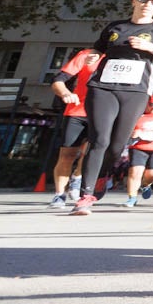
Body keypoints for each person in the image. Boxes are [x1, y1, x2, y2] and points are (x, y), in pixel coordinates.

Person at [71, 0, 153, 216]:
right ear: (134, 0)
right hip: (102, 87)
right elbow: (98, 48)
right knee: (99, 140)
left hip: (135, 91)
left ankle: (104, 174)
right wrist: (93, 55)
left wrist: (150, 47)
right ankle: (86, 195)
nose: (148, 4)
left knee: (116, 146)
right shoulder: (116, 26)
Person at [45, 47, 102, 207]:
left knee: (90, 154)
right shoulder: (88, 54)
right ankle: (59, 194)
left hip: (103, 113)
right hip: (77, 110)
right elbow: (58, 80)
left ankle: (77, 178)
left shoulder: (125, 58)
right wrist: (64, 93)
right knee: (67, 154)